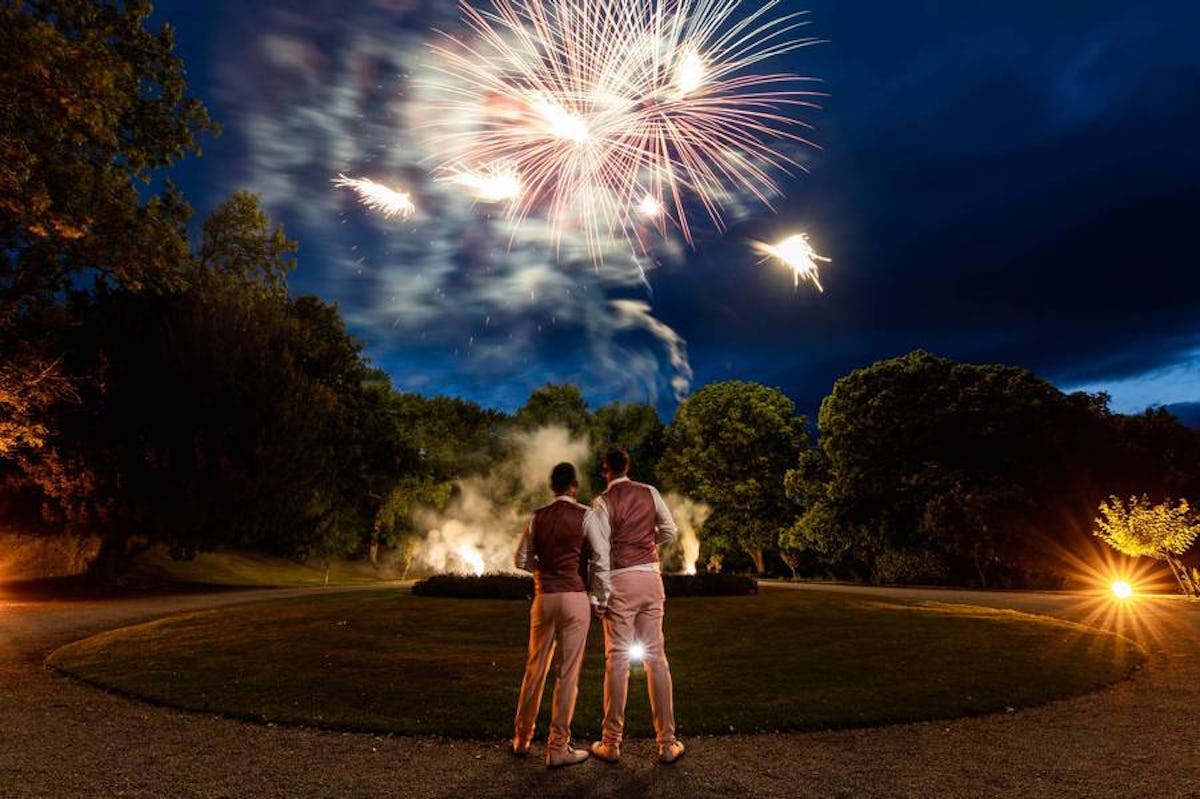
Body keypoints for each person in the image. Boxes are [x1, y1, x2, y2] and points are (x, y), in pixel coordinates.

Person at [585, 446, 684, 764]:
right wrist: (646, 541)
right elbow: (669, 530)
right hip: (651, 580)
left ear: (605, 470)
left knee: (616, 662)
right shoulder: (650, 492)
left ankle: (611, 743)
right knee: (658, 660)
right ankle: (667, 744)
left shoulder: (601, 503)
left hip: (620, 582)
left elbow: (599, 555)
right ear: (628, 466)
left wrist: (598, 597)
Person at [511, 462, 593, 768]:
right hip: (574, 596)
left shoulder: (536, 516)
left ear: (552, 487)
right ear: (574, 486)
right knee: (567, 673)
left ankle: (522, 739)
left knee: (535, 668)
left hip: (544, 597)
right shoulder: (587, 515)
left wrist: (541, 572)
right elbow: (597, 559)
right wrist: (597, 595)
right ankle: (557, 746)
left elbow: (520, 558)